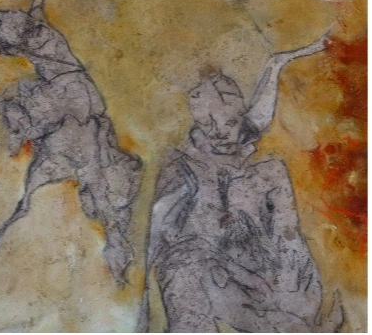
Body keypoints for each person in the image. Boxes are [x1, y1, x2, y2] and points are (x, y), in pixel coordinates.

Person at [140, 33, 343, 332]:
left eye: (230, 122)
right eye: (208, 124)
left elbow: (288, 238)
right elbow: (161, 228)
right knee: (185, 274)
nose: (219, 132)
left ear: (242, 121)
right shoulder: (183, 166)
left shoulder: (267, 172)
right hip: (203, 269)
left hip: (257, 274)